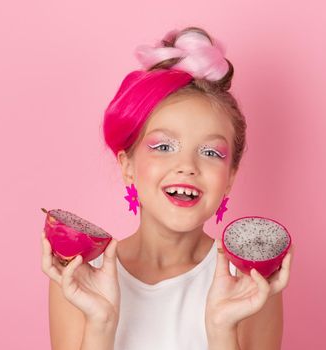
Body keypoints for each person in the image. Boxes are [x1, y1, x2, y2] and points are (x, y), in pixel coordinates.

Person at [41, 26, 294, 350]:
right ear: (127, 165)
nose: (187, 165)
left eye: (211, 152)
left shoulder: (251, 281)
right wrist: (101, 325)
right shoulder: (79, 274)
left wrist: (221, 330)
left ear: (230, 176)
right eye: (163, 146)